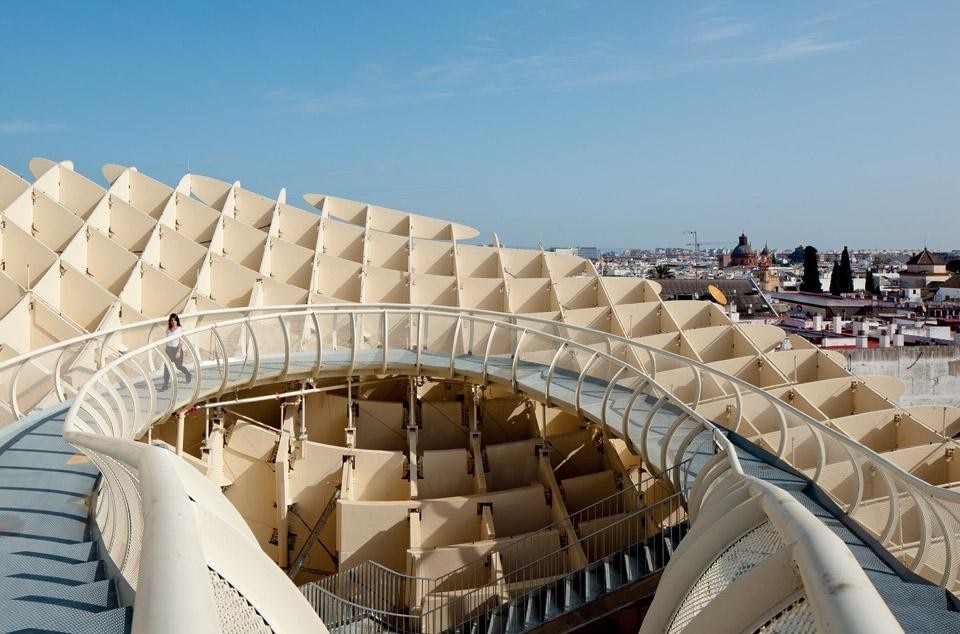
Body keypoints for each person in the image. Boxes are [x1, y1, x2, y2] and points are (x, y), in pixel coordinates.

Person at [160, 313, 192, 390]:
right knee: (167, 367)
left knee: (179, 366)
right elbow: (167, 341)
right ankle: (165, 384)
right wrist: (165, 351)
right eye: (171, 320)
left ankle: (188, 374)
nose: (173, 321)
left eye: (174, 320)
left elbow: (181, 341)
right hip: (169, 350)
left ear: (177, 321)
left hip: (177, 350)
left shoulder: (180, 329)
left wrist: (178, 351)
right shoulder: (168, 330)